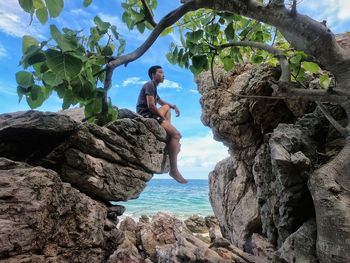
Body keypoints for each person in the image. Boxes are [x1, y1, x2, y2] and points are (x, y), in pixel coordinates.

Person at [136, 65, 188, 184]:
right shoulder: (149, 85)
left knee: (167, 107)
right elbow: (151, 106)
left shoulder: (154, 87)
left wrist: (173, 106)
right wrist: (162, 117)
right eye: (160, 72)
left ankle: (167, 132)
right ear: (153, 75)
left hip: (151, 114)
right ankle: (174, 170)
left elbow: (160, 102)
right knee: (177, 135)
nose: (163, 75)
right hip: (147, 115)